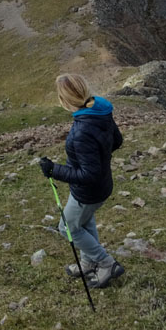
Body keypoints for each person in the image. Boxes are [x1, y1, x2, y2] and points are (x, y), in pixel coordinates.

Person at [40, 73, 125, 289]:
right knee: (84, 222)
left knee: (67, 227)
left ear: (64, 101)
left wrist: (54, 170)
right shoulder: (101, 111)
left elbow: (89, 175)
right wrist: (100, 155)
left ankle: (107, 263)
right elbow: (117, 140)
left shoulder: (81, 131)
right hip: (102, 185)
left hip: (88, 192)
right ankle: (88, 262)